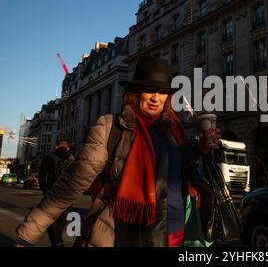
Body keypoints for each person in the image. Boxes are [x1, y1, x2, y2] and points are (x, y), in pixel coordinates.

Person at [16, 56, 221, 247]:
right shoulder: (109, 127)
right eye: (149, 90)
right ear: (136, 92)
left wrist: (201, 150)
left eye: (162, 92)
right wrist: (28, 233)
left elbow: (181, 172)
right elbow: (72, 183)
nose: (155, 98)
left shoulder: (174, 131)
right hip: (120, 234)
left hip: (173, 234)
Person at [37, 139, 74, 247]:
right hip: (68, 195)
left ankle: (58, 243)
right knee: (61, 221)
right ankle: (57, 242)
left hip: (53, 193)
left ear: (56, 146)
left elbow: (41, 175)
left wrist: (45, 190)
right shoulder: (72, 159)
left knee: (49, 220)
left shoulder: (50, 157)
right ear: (68, 148)